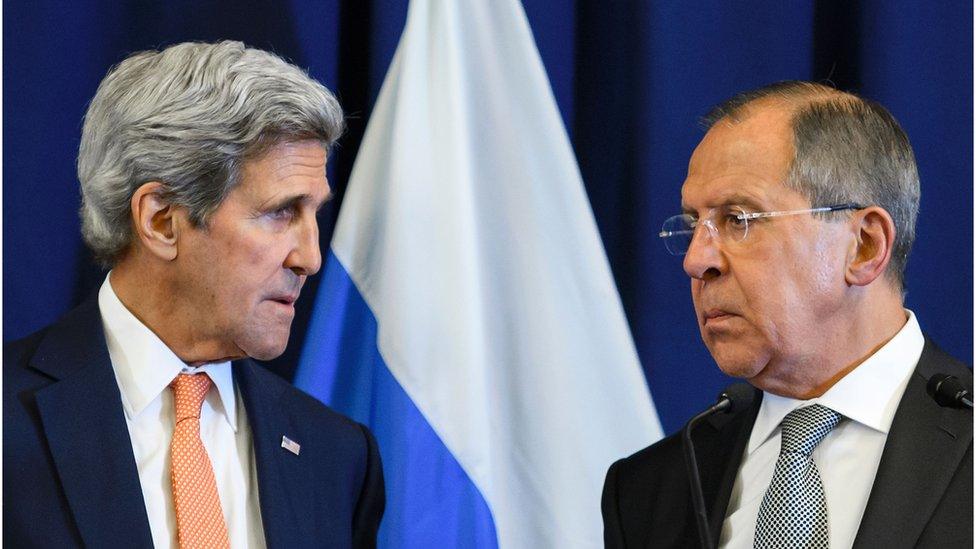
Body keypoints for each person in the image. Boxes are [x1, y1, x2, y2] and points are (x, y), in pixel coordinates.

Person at [4, 41, 384, 548]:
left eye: (314, 213)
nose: (310, 258)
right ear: (161, 221)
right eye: (281, 212)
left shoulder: (337, 456)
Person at [602, 81, 971, 548]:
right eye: (695, 224)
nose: (695, 261)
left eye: (738, 219)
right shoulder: (647, 490)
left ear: (864, 247)